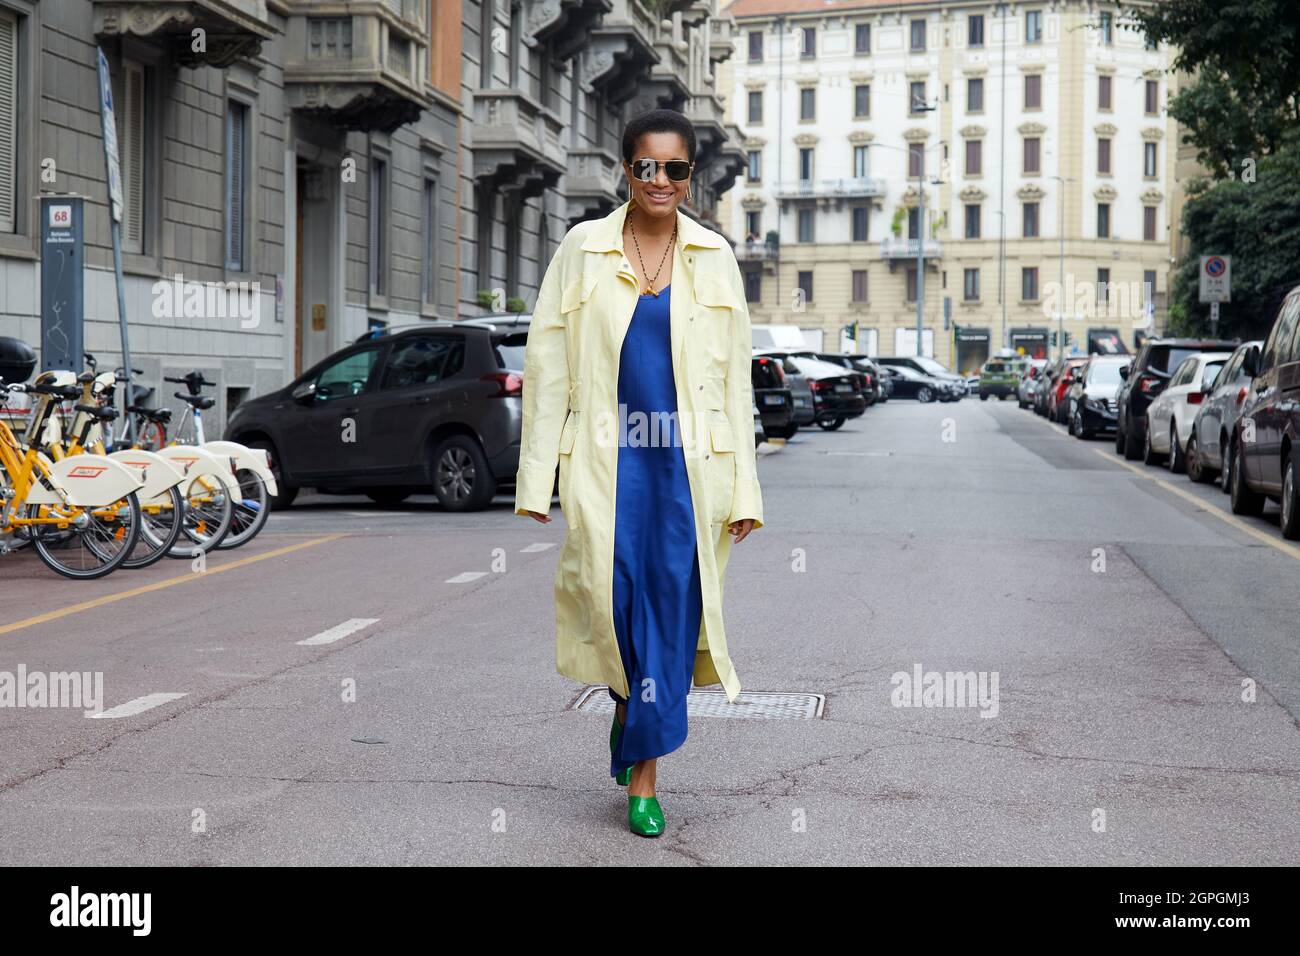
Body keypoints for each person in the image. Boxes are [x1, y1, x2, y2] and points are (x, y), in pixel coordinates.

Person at [514, 108, 764, 837]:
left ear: (690, 177)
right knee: (615, 608)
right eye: (647, 166)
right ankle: (629, 713)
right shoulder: (583, 248)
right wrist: (536, 478)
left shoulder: (714, 257)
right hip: (607, 466)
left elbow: (737, 381)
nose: (660, 180)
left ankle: (645, 778)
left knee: (669, 614)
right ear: (627, 169)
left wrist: (745, 490)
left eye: (674, 168)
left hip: (688, 474)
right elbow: (547, 364)